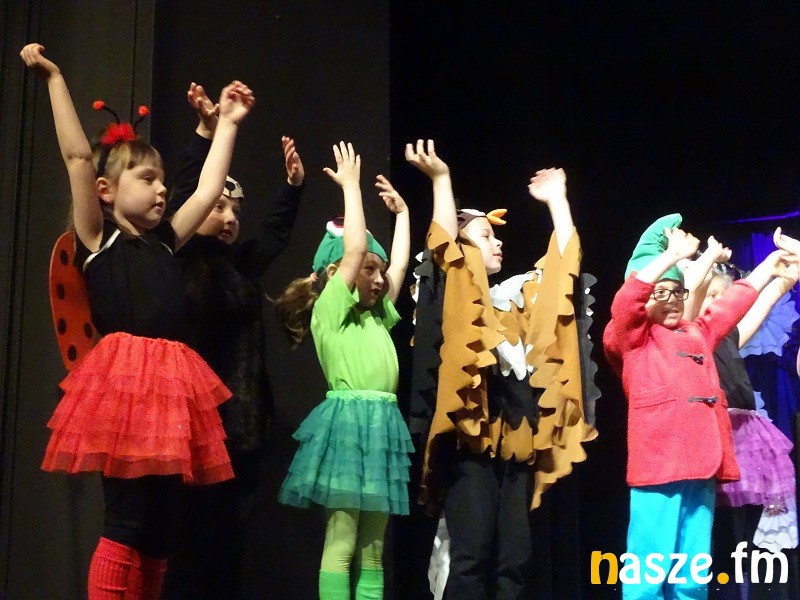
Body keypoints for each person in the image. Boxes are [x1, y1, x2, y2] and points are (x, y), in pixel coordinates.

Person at [20, 42, 253, 599]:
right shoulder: (98, 239)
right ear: (106, 192)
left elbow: (208, 190)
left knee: (160, 531)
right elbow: (78, 158)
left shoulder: (167, 242)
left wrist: (228, 125)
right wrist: (54, 79)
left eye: (162, 180)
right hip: (125, 387)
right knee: (126, 521)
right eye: (147, 179)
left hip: (170, 389)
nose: (161, 189)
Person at [406, 139, 595, 599]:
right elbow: (445, 248)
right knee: (471, 556)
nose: (498, 242)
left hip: (516, 442)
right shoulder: (455, 295)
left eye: (495, 235)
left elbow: (562, 271)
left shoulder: (516, 297)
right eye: (486, 236)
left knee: (515, 559)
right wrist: (441, 180)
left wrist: (557, 201)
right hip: (471, 443)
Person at [603, 214, 795, 600]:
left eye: (677, 292)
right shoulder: (631, 339)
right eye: (660, 293)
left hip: (702, 466)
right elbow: (626, 302)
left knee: (692, 572)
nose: (672, 300)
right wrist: (670, 256)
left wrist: (769, 267)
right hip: (660, 469)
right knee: (649, 570)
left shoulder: (696, 334)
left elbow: (730, 306)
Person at [161, 83, 304, 599]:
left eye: (235, 211)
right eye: (219, 206)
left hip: (241, 430)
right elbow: (188, 188)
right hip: (193, 428)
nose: (228, 218)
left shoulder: (239, 265)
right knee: (190, 546)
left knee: (229, 548)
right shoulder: (178, 257)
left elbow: (272, 238)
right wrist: (208, 131)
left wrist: (292, 188)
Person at [274, 141, 414, 599]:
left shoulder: (377, 315)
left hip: (382, 426)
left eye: (378, 272)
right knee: (342, 543)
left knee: (373, 551)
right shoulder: (331, 310)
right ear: (336, 273)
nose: (378, 279)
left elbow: (398, 266)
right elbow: (355, 248)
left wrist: (403, 215)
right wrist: (351, 188)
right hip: (350, 428)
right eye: (367, 270)